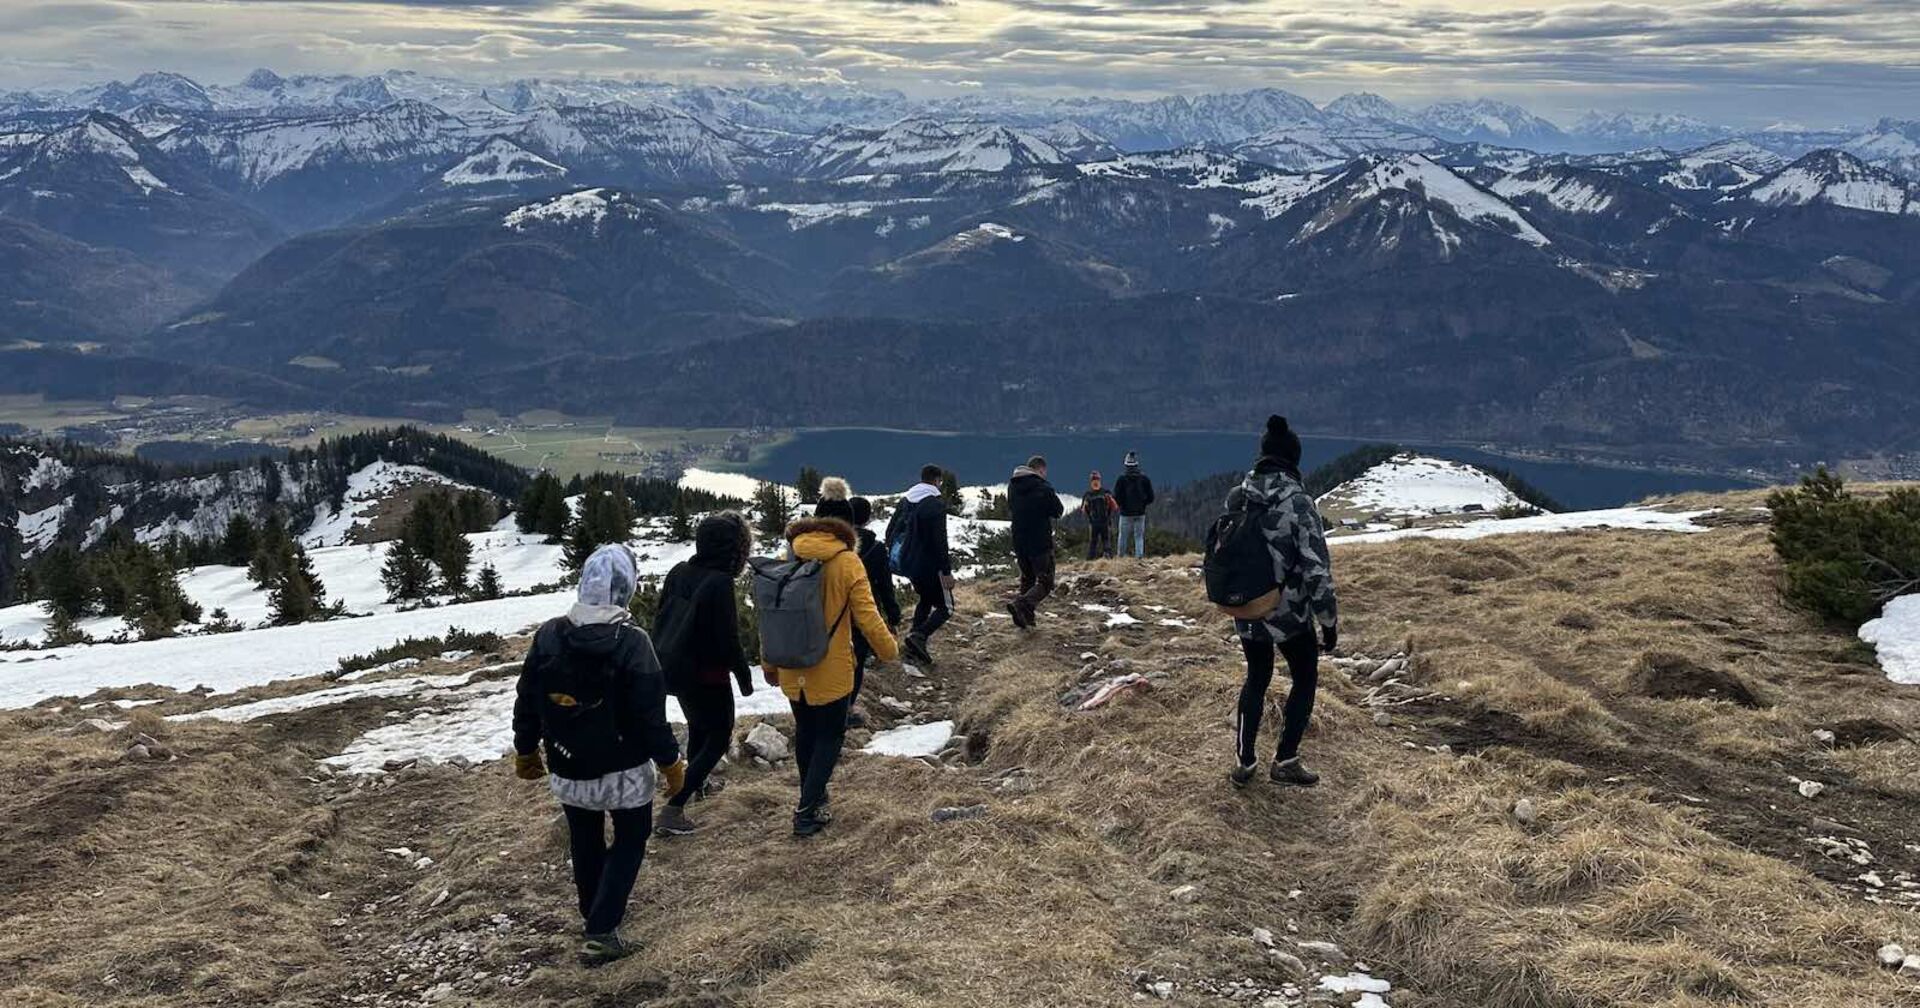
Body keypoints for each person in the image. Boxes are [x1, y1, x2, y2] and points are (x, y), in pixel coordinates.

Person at [512, 544, 685, 963]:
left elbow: (528, 697)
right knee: (630, 839)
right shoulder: (633, 642)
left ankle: (594, 912)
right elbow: (649, 716)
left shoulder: (550, 633)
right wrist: (670, 761)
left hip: (568, 766)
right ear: (626, 590)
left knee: (584, 839)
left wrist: (525, 748)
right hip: (624, 771)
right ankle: (602, 930)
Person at [762, 512, 901, 836]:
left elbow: (770, 618)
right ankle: (806, 811)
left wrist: (769, 663)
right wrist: (889, 650)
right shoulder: (847, 562)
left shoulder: (787, 556)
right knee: (831, 736)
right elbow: (867, 616)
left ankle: (813, 795)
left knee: (806, 733)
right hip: (831, 668)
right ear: (843, 536)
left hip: (790, 664)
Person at [1225, 416, 1338, 789]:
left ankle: (1244, 761)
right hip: (1289, 612)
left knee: (1256, 676)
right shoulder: (1299, 502)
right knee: (1304, 676)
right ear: (1293, 459)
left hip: (1247, 604)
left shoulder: (1239, 494)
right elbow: (1316, 567)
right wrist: (1329, 621)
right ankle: (1286, 759)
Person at [650, 512, 753, 837]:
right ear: (734, 549)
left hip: (674, 667)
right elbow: (728, 638)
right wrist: (744, 678)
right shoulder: (720, 582)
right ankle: (674, 806)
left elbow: (660, 615)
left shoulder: (679, 571)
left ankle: (697, 784)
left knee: (698, 728)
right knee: (719, 735)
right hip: (707, 672)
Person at [815, 485, 900, 726]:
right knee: (856, 662)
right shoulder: (871, 549)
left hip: (819, 616)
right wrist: (892, 617)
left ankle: (822, 706)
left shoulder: (800, 550)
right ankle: (845, 710)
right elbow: (885, 586)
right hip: (856, 616)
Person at [886, 463, 953, 666]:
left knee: (925, 599)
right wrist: (947, 572)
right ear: (937, 480)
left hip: (909, 563)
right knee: (946, 607)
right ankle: (919, 636)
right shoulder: (934, 504)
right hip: (930, 565)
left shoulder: (906, 500)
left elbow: (890, 531)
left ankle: (913, 643)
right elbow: (940, 541)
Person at [1006, 455, 1063, 629]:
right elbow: (1058, 510)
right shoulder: (1043, 488)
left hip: (1019, 540)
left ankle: (1026, 619)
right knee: (1045, 582)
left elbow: (1011, 507)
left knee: (1028, 579)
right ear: (1040, 470)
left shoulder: (1013, 486)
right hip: (1039, 541)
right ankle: (1021, 604)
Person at [1114, 451, 1155, 559]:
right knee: (1139, 537)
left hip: (1125, 513)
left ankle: (1120, 557)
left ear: (1126, 465)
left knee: (1123, 536)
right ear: (1137, 464)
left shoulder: (1121, 479)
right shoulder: (1144, 479)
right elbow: (1151, 497)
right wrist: (1143, 504)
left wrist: (1122, 505)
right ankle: (1139, 558)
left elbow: (1116, 497)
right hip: (1140, 513)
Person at [1081, 471, 1119, 560]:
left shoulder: (1088, 494)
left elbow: (1083, 510)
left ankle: (1091, 561)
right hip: (1102, 522)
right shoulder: (1105, 492)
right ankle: (1107, 559)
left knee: (1096, 543)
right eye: (1094, 479)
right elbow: (1115, 507)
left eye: (1096, 479)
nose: (1095, 481)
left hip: (1098, 522)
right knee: (1103, 542)